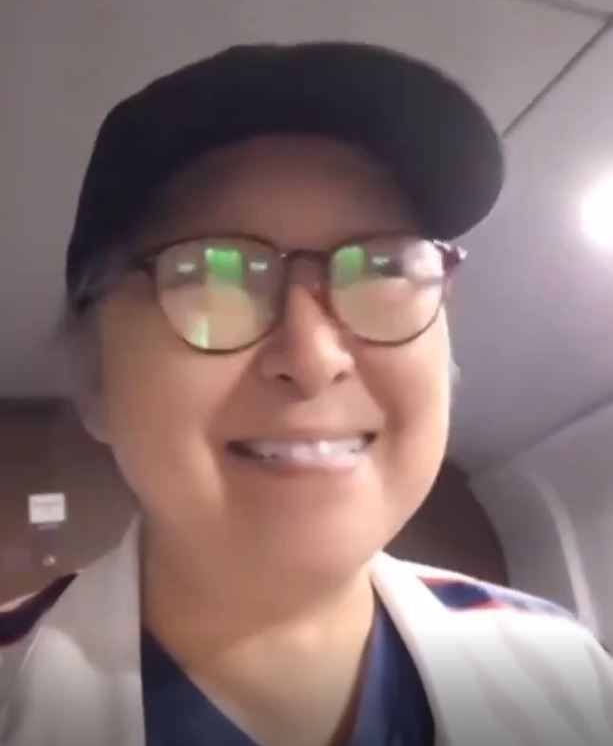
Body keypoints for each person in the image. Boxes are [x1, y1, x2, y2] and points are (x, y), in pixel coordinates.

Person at [0, 42, 611, 746]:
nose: (314, 358)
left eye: (382, 267)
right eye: (213, 276)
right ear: (97, 381)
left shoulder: (571, 681)